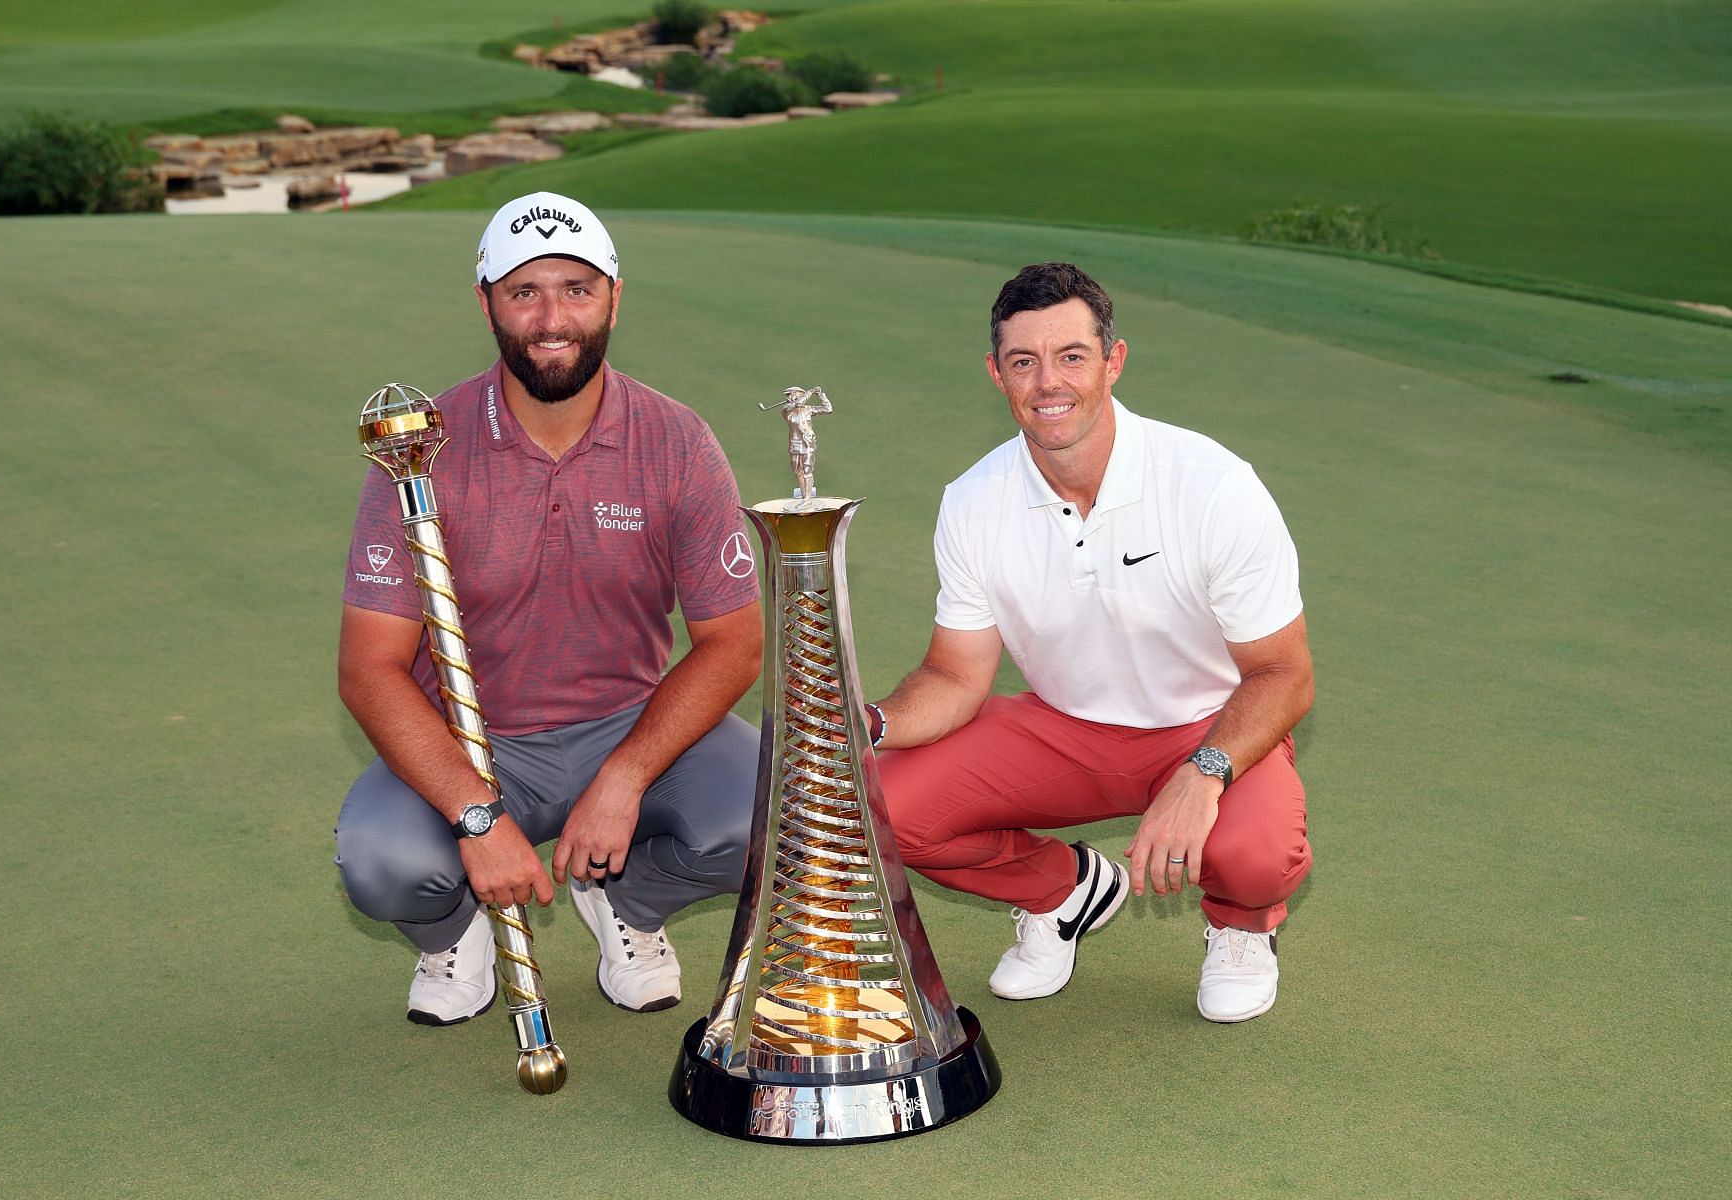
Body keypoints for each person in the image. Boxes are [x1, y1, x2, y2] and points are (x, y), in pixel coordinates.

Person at [334, 191, 762, 1025]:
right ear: (487, 302)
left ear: (614, 296)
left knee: (768, 819)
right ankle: (455, 932)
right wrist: (476, 812)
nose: (552, 316)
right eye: (524, 292)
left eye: (576, 288)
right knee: (380, 861)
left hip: (626, 724)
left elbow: (733, 646)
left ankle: (627, 905)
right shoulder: (419, 445)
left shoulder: (677, 441)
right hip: (471, 736)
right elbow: (369, 669)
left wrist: (627, 776)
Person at [867, 262, 1313, 1023]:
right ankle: (1064, 892)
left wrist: (1202, 774)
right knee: (878, 805)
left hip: (1207, 728)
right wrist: (863, 723)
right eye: (1023, 362)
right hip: (1062, 729)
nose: (1049, 382)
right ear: (995, 374)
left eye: (1072, 356)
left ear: (1113, 361)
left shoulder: (1212, 484)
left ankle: (1241, 928)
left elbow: (1283, 675)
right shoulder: (974, 500)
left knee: (1255, 856)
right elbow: (954, 675)